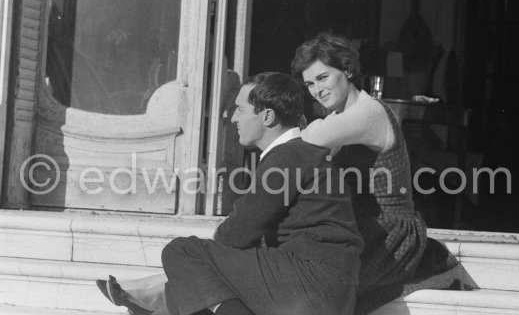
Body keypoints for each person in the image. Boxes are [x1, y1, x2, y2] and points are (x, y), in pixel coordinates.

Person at [97, 72, 364, 315]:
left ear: (267, 117)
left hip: (310, 285)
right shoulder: (299, 152)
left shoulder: (287, 158)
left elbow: (236, 234)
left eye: (239, 109)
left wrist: (193, 268)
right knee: (196, 279)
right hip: (323, 287)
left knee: (181, 252)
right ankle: (160, 299)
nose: (233, 117)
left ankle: (159, 296)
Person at [291, 32, 476, 314]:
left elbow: (305, 142)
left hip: (390, 232)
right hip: (361, 227)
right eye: (309, 84)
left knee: (323, 286)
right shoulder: (338, 117)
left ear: (348, 70)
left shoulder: (369, 112)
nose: (316, 90)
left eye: (323, 78)